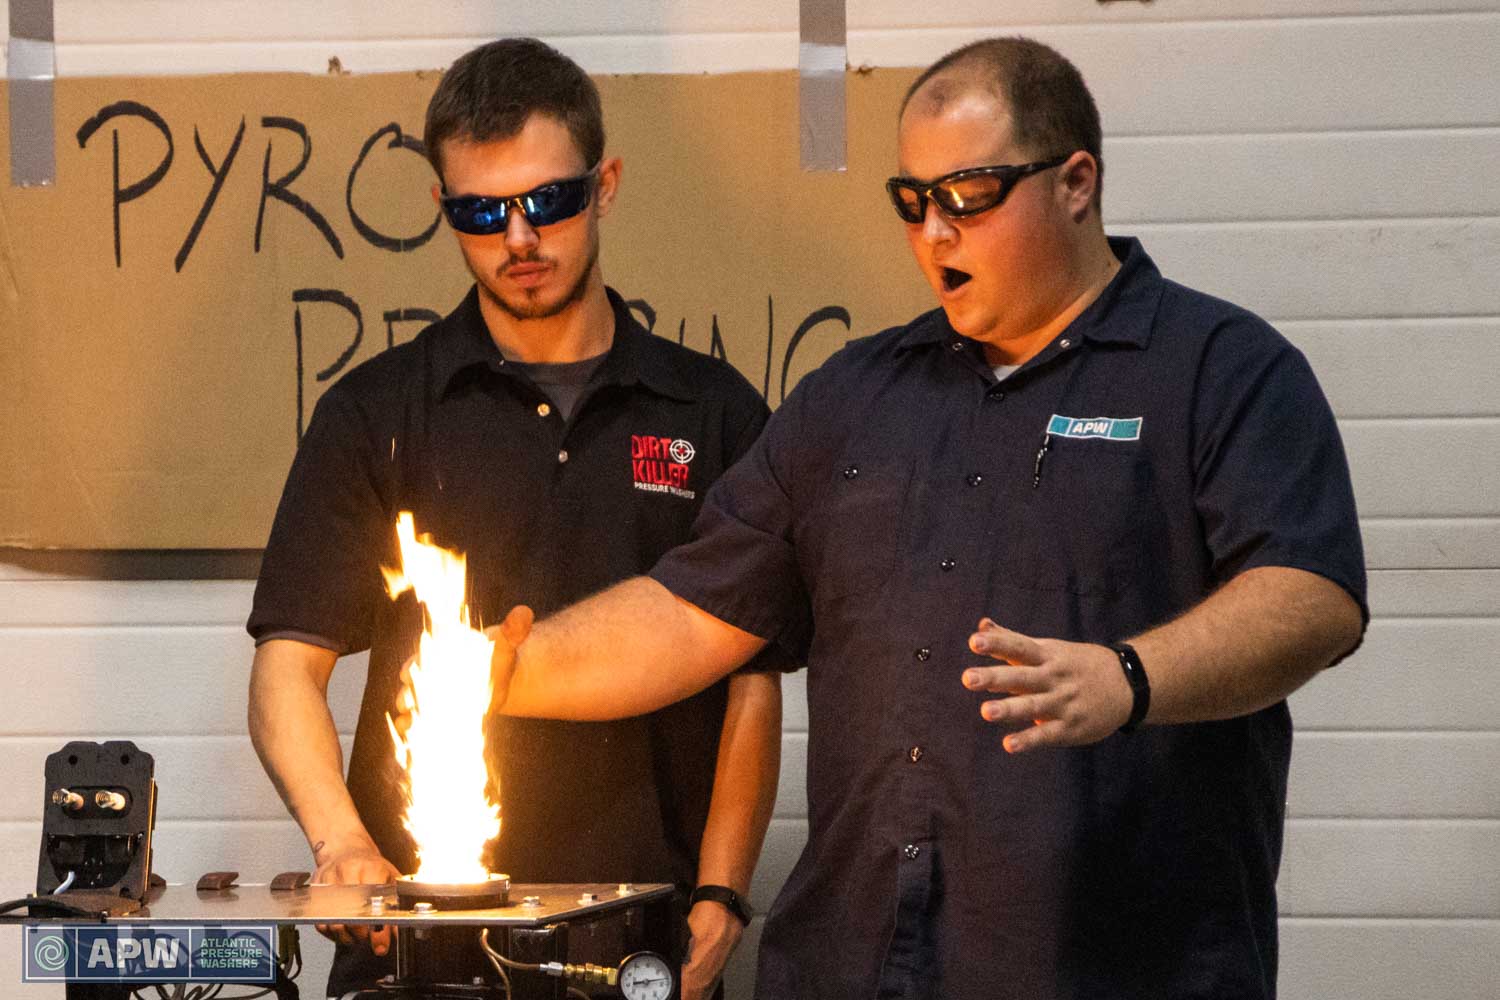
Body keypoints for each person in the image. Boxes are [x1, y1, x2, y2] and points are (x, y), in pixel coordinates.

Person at [481, 36, 1368, 1000]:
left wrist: (1128, 678)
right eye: (913, 201)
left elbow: (1312, 599)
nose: (934, 233)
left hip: (1110, 964)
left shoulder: (1221, 369)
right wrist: (490, 671)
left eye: (968, 196)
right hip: (855, 965)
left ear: (1076, 181)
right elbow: (694, 613)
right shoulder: (853, 397)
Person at [246, 38, 783, 1000]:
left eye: (550, 201)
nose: (520, 238)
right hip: (413, 940)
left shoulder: (713, 412)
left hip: (635, 936)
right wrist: (344, 847)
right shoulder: (378, 412)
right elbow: (290, 665)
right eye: (482, 213)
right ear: (445, 211)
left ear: (605, 183)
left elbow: (750, 678)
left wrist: (723, 896)